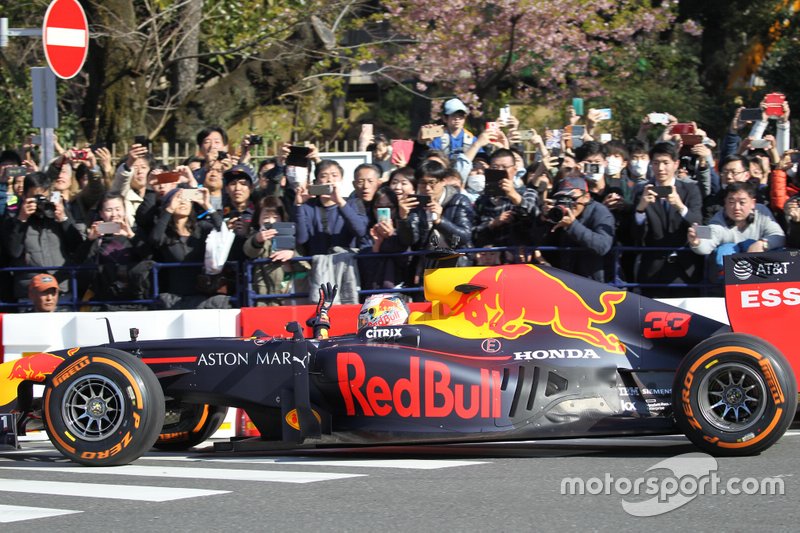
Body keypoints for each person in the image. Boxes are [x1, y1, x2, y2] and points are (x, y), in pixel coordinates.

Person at [631, 142, 703, 296]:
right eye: (656, 163)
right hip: (652, 272)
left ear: (676, 164)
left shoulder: (690, 190)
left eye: (665, 163)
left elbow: (699, 224)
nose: (660, 168)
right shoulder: (642, 192)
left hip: (685, 271)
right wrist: (640, 209)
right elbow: (635, 236)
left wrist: (680, 207)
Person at [4, 172, 84, 298]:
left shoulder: (58, 211)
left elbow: (77, 248)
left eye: (44, 198)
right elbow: (13, 251)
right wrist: (22, 220)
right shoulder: (13, 216)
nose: (40, 203)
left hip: (60, 289)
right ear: (24, 195)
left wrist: (63, 219)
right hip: (29, 291)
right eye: (36, 198)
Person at [689, 181, 785, 282]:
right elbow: (707, 244)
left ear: (753, 203)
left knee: (752, 244)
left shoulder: (762, 211)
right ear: (725, 203)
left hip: (762, 272)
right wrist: (696, 242)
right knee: (726, 249)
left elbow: (779, 236)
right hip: (730, 279)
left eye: (742, 202)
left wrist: (763, 244)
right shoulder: (717, 220)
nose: (736, 207)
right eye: (731, 202)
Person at [540, 176, 615, 282]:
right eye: (562, 199)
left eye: (572, 199)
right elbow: (541, 244)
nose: (567, 204)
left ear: (587, 197)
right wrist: (543, 221)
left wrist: (572, 225)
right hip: (565, 280)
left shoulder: (600, 212)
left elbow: (602, 246)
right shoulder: (558, 213)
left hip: (595, 283)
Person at [294, 160, 369, 254]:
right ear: (316, 182)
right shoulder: (308, 207)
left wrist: (340, 203)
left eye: (334, 175)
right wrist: (298, 205)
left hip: (346, 262)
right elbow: (301, 239)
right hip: (318, 263)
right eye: (323, 176)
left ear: (341, 180)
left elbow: (361, 231)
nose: (329, 180)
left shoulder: (353, 203)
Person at [472, 148, 539, 248]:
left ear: (514, 170)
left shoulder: (527, 193)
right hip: (489, 258)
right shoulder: (482, 200)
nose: (499, 171)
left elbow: (535, 217)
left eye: (504, 167)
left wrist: (514, 196)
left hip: (517, 258)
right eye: (495, 167)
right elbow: (472, 232)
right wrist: (493, 223)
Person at [243, 196, 296, 306]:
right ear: (258, 219)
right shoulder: (255, 236)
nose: (271, 221)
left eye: (276, 217)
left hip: (287, 292)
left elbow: (304, 267)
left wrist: (292, 254)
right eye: (266, 217)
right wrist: (257, 240)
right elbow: (249, 251)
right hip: (262, 294)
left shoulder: (290, 236)